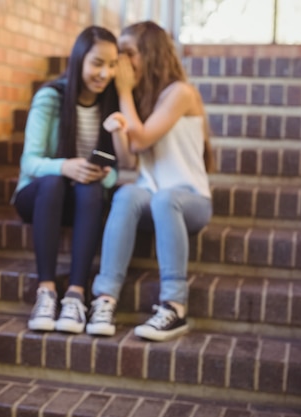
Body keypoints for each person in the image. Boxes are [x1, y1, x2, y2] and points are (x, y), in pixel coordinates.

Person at [86, 21, 214, 342]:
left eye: (129, 53)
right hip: (153, 198)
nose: (123, 63)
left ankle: (175, 305)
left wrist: (125, 93)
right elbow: (130, 160)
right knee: (127, 193)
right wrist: (118, 129)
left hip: (190, 200)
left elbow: (141, 140)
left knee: (164, 198)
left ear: (152, 53)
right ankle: (104, 298)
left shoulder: (181, 93)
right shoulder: (142, 100)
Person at [12, 26, 120, 334]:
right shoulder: (51, 97)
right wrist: (65, 167)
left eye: (112, 66)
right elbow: (29, 161)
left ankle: (75, 295)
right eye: (97, 63)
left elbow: (117, 169)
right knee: (54, 182)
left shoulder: (110, 103)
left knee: (92, 188)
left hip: (82, 198)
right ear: (79, 59)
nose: (105, 73)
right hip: (40, 195)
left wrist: (104, 175)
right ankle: (46, 290)